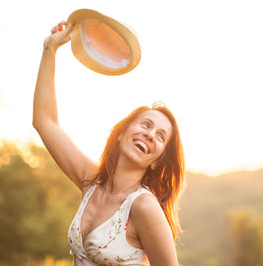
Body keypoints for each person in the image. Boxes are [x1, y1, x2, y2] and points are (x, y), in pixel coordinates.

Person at [33, 21, 185, 266]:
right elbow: (45, 122)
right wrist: (50, 49)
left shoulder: (144, 207)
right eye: (146, 125)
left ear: (157, 162)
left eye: (160, 137)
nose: (150, 135)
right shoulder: (91, 182)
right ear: (121, 133)